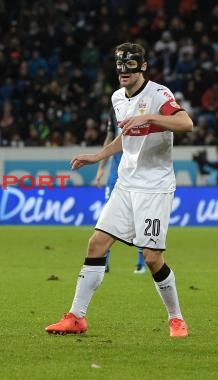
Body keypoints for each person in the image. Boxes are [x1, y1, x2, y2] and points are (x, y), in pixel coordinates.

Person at [45, 42, 192, 338]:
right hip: (126, 183)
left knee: (151, 257)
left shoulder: (159, 94)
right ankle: (76, 317)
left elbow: (185, 123)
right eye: (119, 66)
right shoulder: (117, 98)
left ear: (143, 66)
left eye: (130, 65)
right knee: (96, 243)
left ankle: (176, 318)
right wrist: (98, 156)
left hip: (154, 187)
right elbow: (125, 139)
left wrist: (149, 116)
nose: (124, 71)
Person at [95, 109, 146, 274]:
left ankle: (140, 263)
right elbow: (109, 139)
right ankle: (104, 262)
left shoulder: (145, 108)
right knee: (109, 216)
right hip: (116, 175)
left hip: (139, 175)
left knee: (140, 216)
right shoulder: (114, 110)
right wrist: (101, 168)